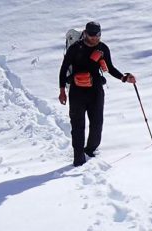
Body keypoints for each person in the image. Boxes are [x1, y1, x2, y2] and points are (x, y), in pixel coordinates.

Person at [58, 21, 136, 167]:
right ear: (85, 33)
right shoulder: (75, 48)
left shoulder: (102, 48)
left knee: (97, 123)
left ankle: (90, 151)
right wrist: (62, 91)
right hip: (77, 91)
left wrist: (124, 78)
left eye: (98, 35)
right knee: (77, 125)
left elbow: (110, 68)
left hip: (95, 91)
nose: (95, 38)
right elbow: (63, 69)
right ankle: (78, 158)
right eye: (92, 35)